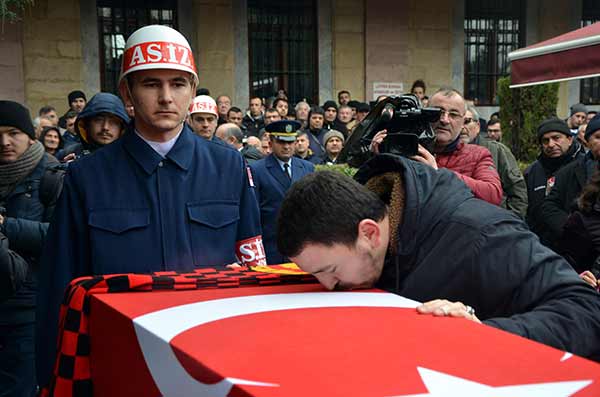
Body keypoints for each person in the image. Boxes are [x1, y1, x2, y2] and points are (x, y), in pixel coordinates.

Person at [36, 25, 265, 389]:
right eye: (150, 84)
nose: (165, 97)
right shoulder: (86, 178)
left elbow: (253, 270)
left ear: (192, 91)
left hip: (212, 365)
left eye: (177, 84)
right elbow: (59, 291)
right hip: (119, 366)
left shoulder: (229, 167)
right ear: (127, 92)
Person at [276, 156, 600, 360]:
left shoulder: (483, 235)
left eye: (330, 271)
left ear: (369, 233)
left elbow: (586, 310)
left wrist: (482, 333)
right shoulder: (368, 234)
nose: (328, 286)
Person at [0, 100, 64, 397]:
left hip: (27, 306)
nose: (4, 142)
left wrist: (5, 225)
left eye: (13, 132)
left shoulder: (53, 175)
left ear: (30, 135)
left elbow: (59, 235)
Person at [371, 88, 502, 205]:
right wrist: (378, 161)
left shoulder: (478, 155)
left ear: (463, 122)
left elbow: (493, 194)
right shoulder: (406, 149)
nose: (445, 120)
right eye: (438, 112)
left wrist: (438, 173)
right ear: (424, 114)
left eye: (454, 114)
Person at [250, 120, 315, 265]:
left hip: (302, 246)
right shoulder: (257, 170)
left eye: (290, 142)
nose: (286, 146)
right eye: (281, 142)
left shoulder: (307, 168)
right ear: (271, 142)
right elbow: (253, 211)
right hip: (272, 245)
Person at [542, 115, 600, 249]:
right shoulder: (569, 171)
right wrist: (572, 228)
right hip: (577, 252)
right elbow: (549, 206)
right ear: (587, 142)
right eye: (598, 137)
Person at [524, 118, 584, 245]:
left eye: (556, 138)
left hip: (577, 245)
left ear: (569, 139)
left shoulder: (584, 167)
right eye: (545, 141)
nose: (551, 144)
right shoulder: (532, 172)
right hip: (540, 246)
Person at [462, 105, 527, 218]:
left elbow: (517, 191)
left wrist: (510, 221)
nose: (462, 127)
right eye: (459, 121)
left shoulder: (497, 150)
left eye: (467, 121)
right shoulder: (441, 153)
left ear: (477, 126)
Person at [58, 92, 130, 162]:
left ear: (122, 127)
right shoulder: (68, 153)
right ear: (86, 124)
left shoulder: (132, 156)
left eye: (113, 122)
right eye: (99, 120)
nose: (105, 127)